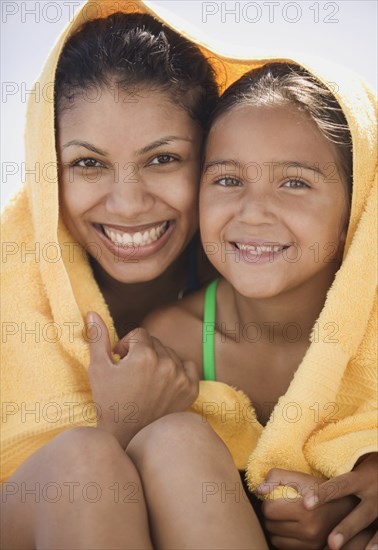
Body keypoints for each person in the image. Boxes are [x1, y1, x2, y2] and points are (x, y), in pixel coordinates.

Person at [140, 62, 377, 549]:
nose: (253, 211)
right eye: (228, 180)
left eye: (295, 182)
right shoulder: (173, 340)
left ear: (357, 203)